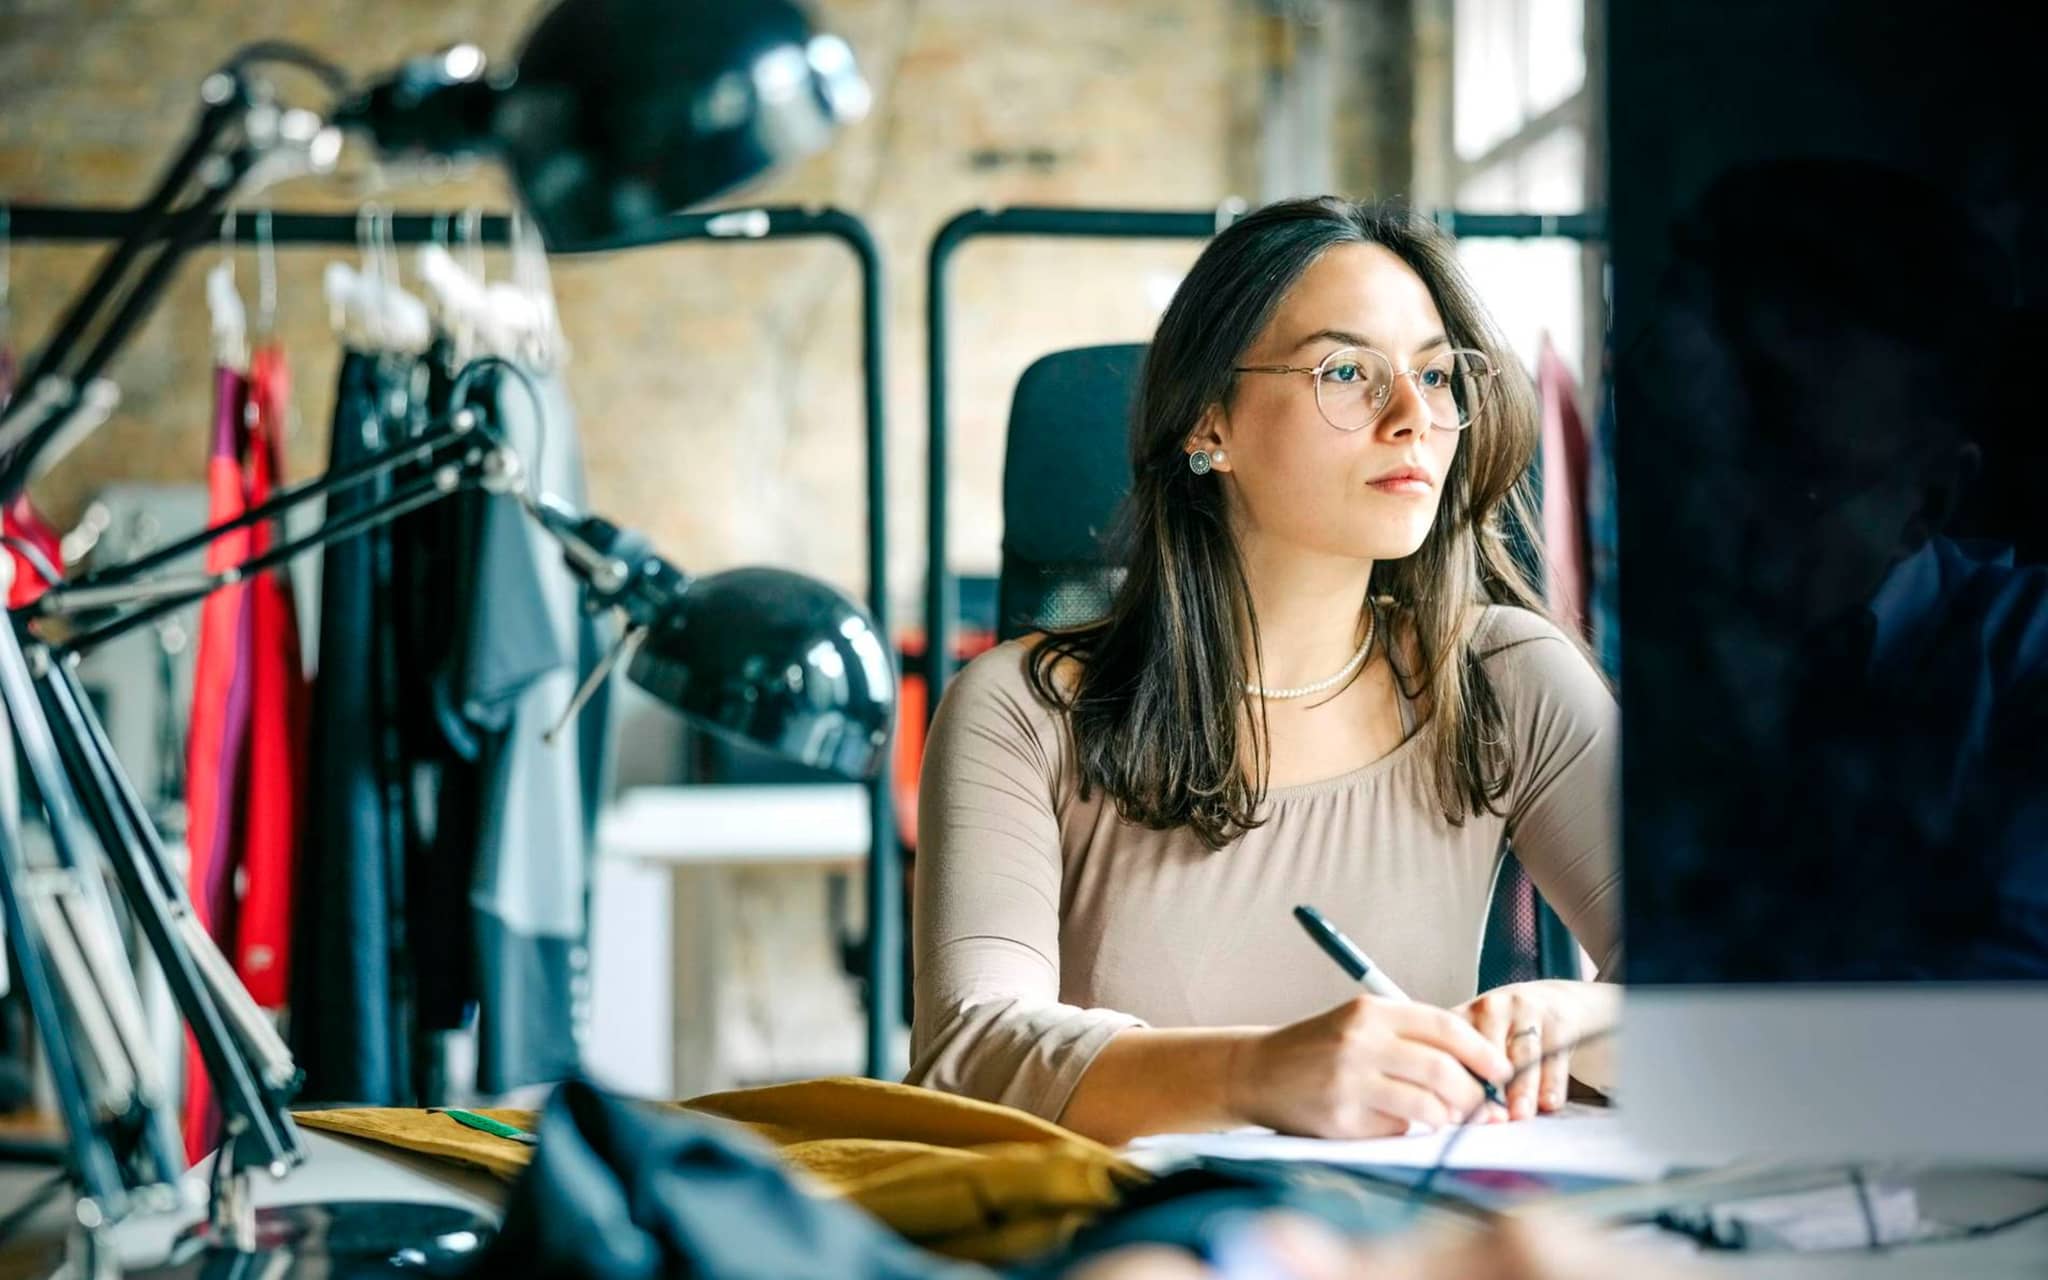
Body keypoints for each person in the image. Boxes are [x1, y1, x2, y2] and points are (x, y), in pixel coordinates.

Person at [909, 196, 1620, 1144]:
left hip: (1416, 1220)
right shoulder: (1021, 710)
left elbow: (1735, 997)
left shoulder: (1504, 676)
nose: (1414, 417)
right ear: (1210, 424)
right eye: (1347, 372)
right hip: (1122, 1217)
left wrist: (1578, 1018)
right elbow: (969, 1050)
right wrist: (1261, 1073)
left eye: (1438, 375)